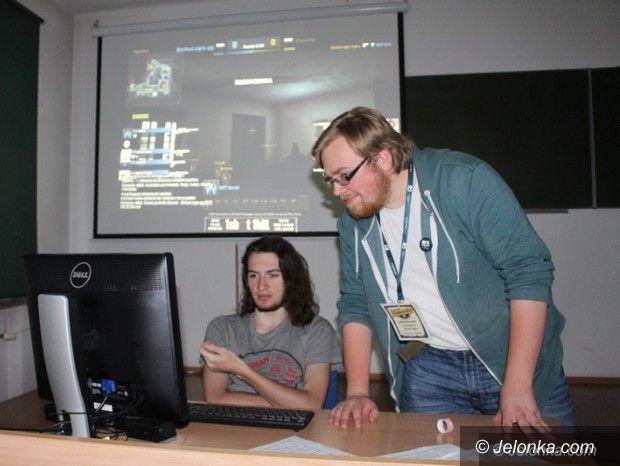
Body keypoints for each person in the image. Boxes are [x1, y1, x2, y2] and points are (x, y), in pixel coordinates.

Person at [311, 106, 576, 431]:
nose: (336, 190)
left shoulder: (463, 180)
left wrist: (518, 384)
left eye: (344, 176)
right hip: (429, 365)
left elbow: (528, 272)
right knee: (431, 454)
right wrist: (357, 392)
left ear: (383, 158)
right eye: (330, 180)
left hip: (509, 355)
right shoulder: (354, 223)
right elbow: (356, 304)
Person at [199, 235, 342, 410]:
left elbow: (311, 404)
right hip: (236, 424)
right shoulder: (222, 328)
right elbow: (215, 398)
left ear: (291, 279)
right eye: (253, 275)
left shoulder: (317, 331)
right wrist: (289, 402)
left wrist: (242, 370)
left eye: (273, 275)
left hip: (295, 427)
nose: (261, 286)